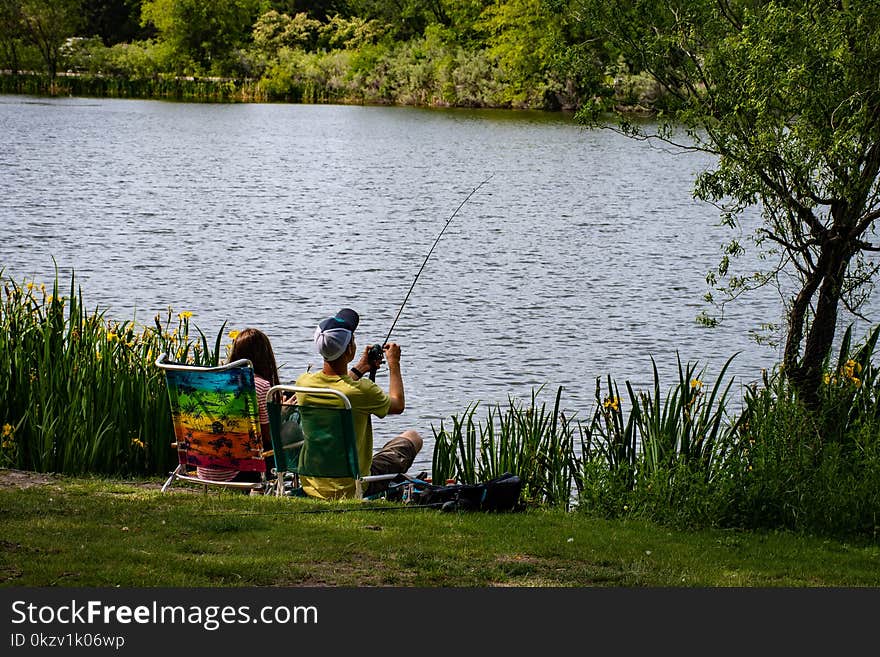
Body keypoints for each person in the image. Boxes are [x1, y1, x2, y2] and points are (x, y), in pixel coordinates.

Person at [294, 308, 422, 499]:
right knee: (412, 437)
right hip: (353, 485)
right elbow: (397, 404)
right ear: (350, 349)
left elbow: (339, 387)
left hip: (312, 484)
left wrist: (361, 368)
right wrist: (394, 363)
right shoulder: (362, 391)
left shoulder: (304, 384)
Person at [196, 327, 280, 483]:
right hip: (238, 472)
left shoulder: (214, 382)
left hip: (205, 467)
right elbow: (269, 437)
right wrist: (281, 413)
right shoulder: (260, 386)